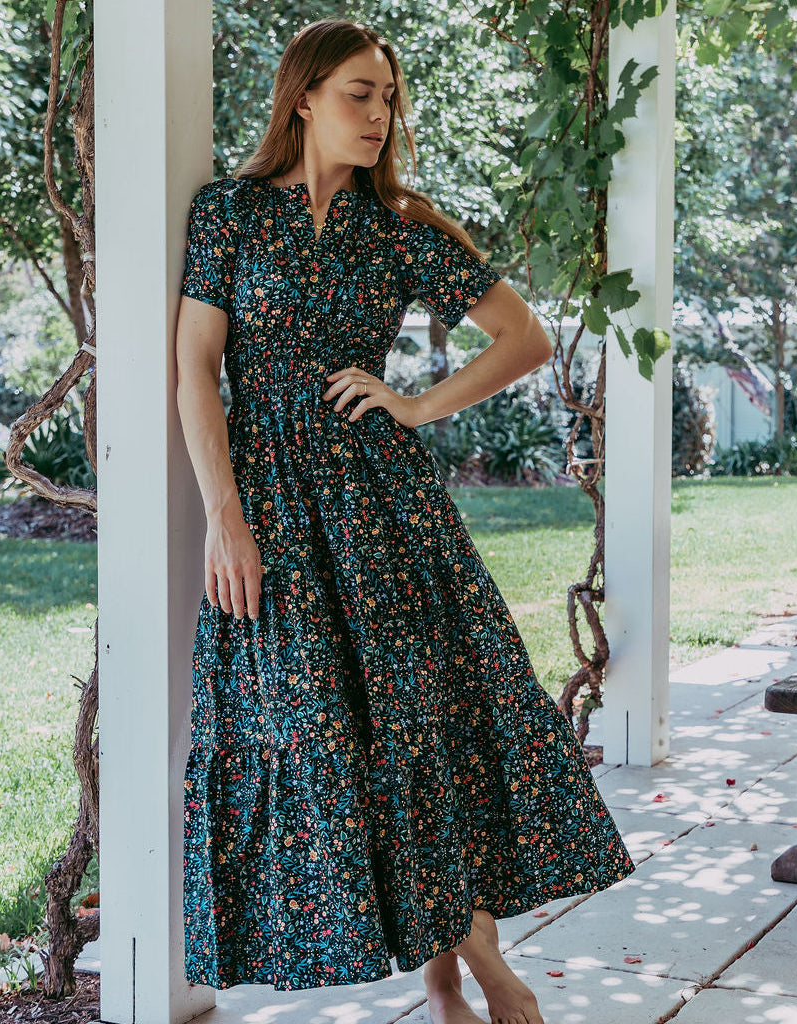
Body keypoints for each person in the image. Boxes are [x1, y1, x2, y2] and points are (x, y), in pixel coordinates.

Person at [174, 16, 636, 1024]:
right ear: (301, 98)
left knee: (422, 732)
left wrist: (417, 403)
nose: (380, 114)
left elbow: (523, 335)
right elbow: (196, 367)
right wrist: (224, 516)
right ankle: (445, 970)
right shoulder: (230, 214)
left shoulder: (402, 227)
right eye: (358, 93)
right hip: (274, 517)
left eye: (388, 97)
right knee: (321, 729)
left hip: (383, 512)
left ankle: (474, 971)